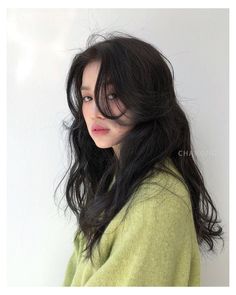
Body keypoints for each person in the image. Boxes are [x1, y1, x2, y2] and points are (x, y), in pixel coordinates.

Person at [56, 32, 223, 286]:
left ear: (146, 99)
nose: (95, 111)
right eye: (88, 97)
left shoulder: (158, 201)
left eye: (112, 95)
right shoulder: (116, 178)